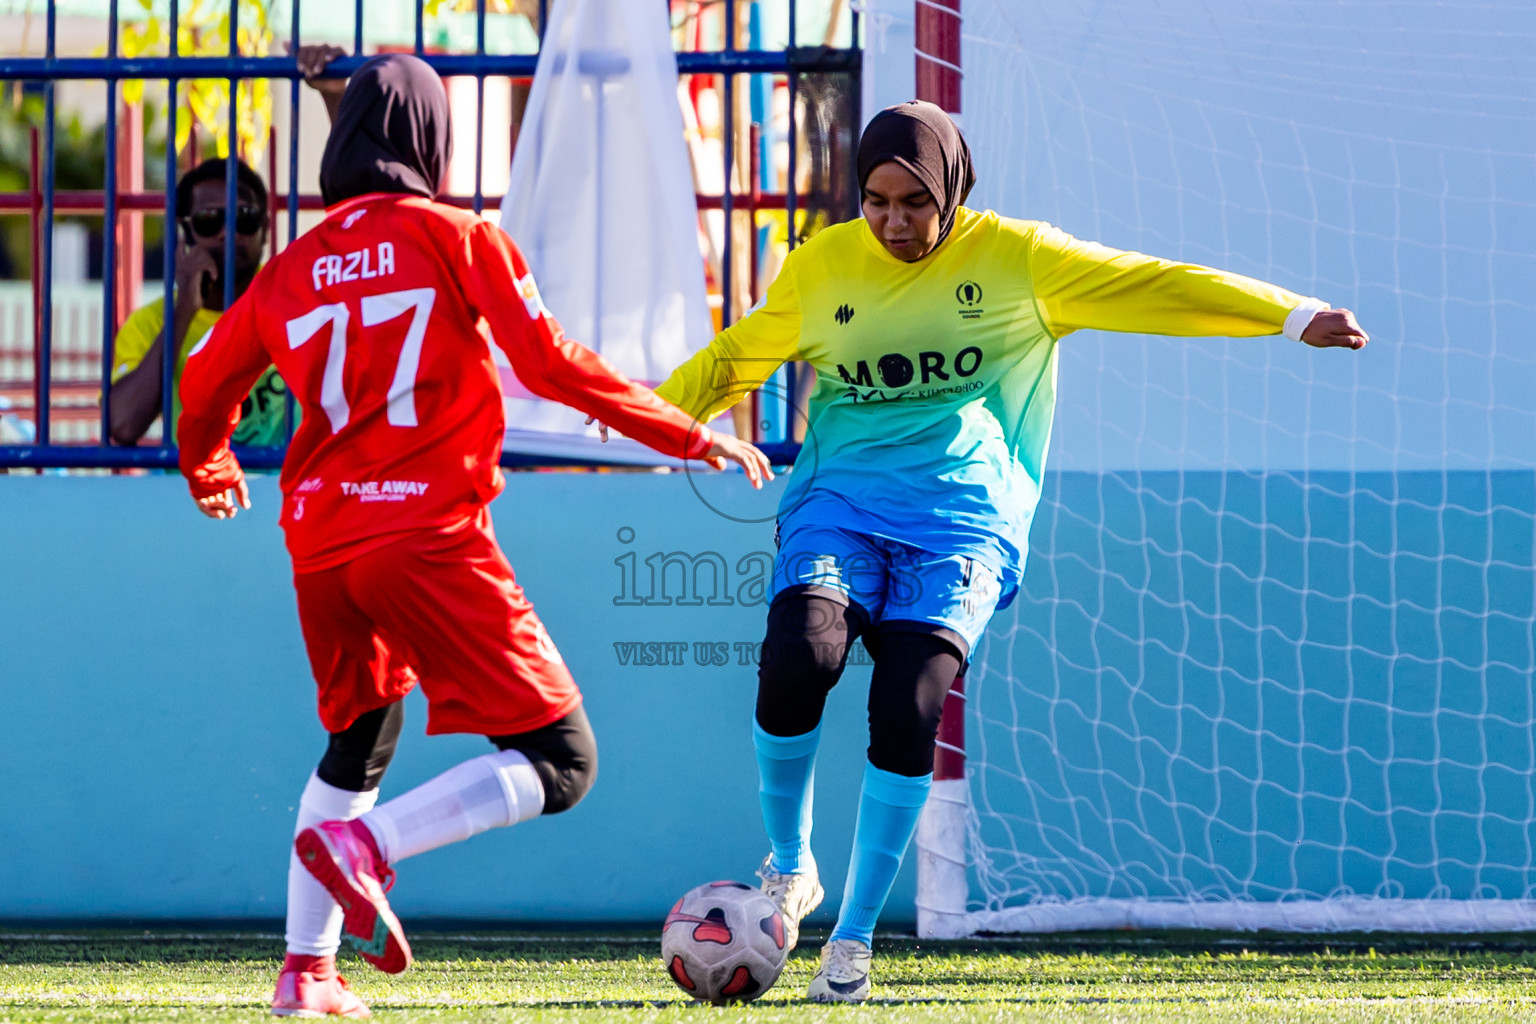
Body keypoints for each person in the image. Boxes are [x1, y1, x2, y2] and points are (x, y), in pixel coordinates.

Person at [653, 100, 1369, 1002]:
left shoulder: (1020, 261)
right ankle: (792, 868)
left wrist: (1289, 314)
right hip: (839, 506)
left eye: (912, 202)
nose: (893, 223)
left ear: (951, 191)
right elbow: (732, 359)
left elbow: (1152, 283)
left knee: (908, 702)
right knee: (800, 653)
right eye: (874, 201)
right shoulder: (821, 265)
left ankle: (857, 937)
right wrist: (647, 419)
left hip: (963, 523)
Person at [175, 54, 772, 1019]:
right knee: (563, 760)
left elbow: (203, 387)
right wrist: (688, 433)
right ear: (432, 142)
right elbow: (553, 363)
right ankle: (369, 852)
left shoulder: (288, 269)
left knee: (356, 741)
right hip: (425, 533)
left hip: (321, 544)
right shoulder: (461, 238)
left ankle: (306, 975)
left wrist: (208, 465)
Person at [108, 157, 288, 447]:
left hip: (287, 487)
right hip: (190, 490)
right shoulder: (150, 323)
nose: (227, 233)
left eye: (243, 217)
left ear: (265, 227)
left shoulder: (298, 303)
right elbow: (123, 424)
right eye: (209, 220)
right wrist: (184, 312)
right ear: (187, 232)